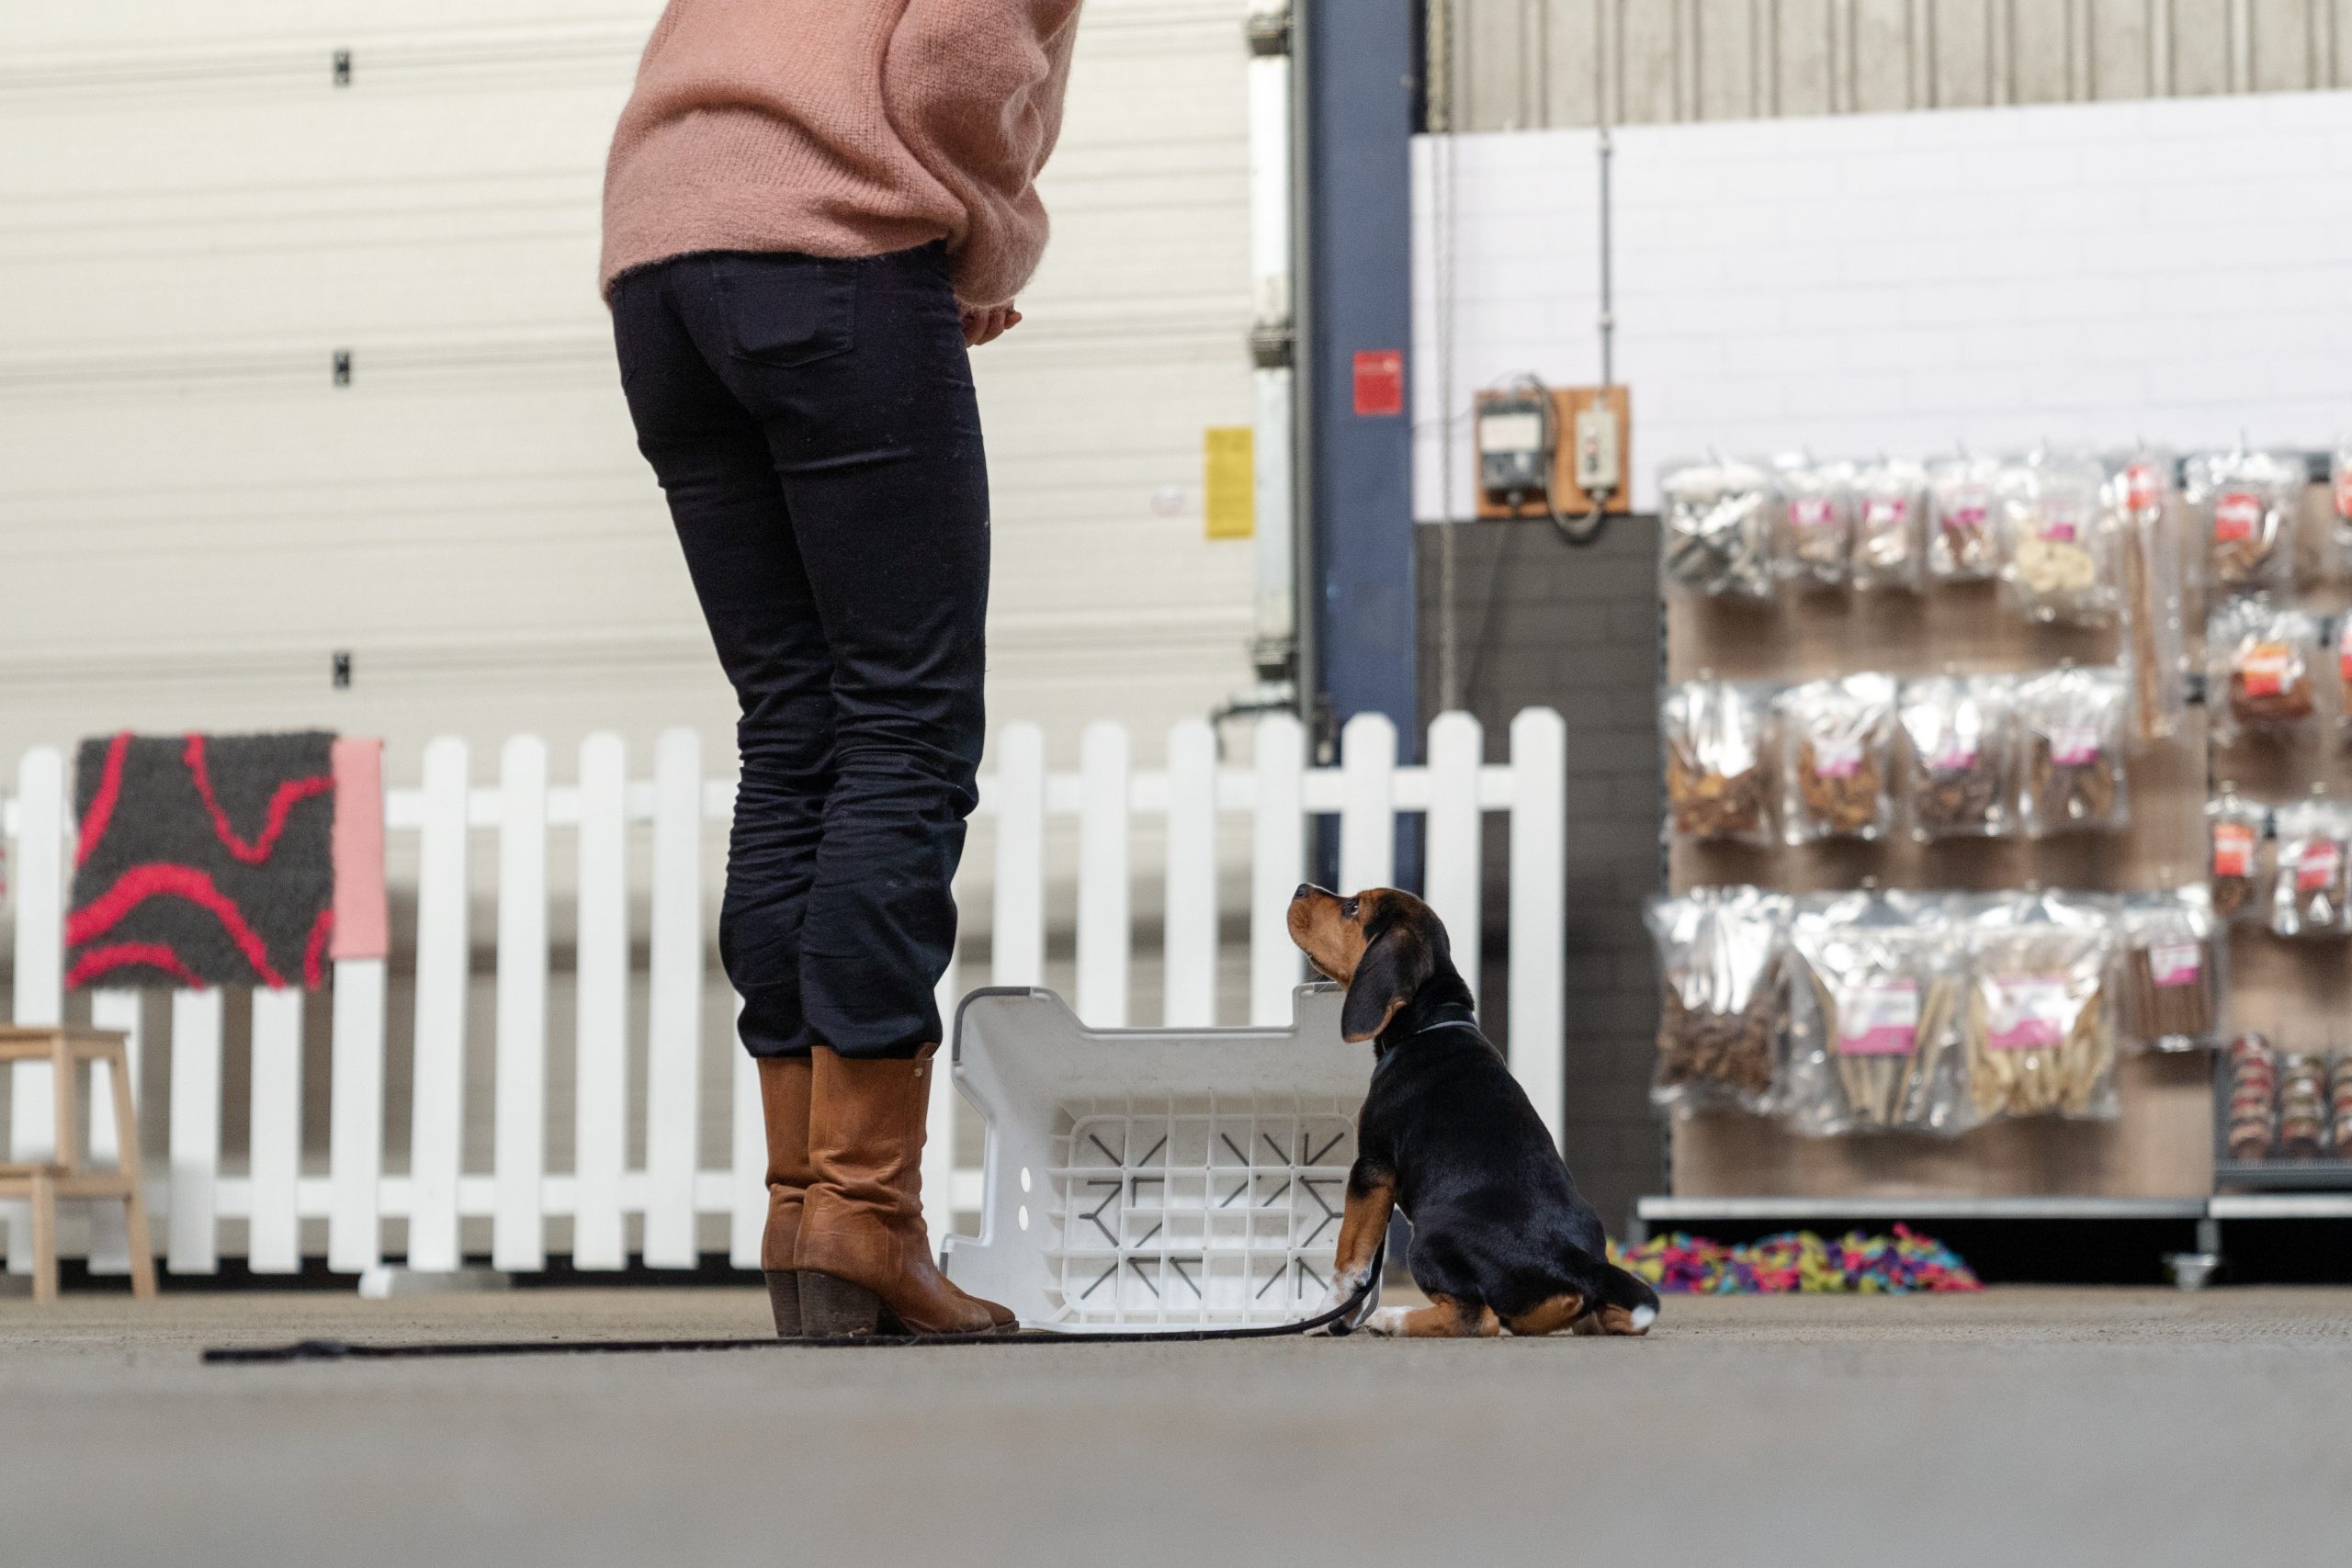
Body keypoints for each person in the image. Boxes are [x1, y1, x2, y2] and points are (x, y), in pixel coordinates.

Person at [601, 0, 1082, 1337]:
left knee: (795, 731)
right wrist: (973, 241)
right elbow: (957, 53)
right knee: (904, 732)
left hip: (660, 268)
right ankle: (864, 1221)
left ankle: (802, 1212)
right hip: (831, 246)